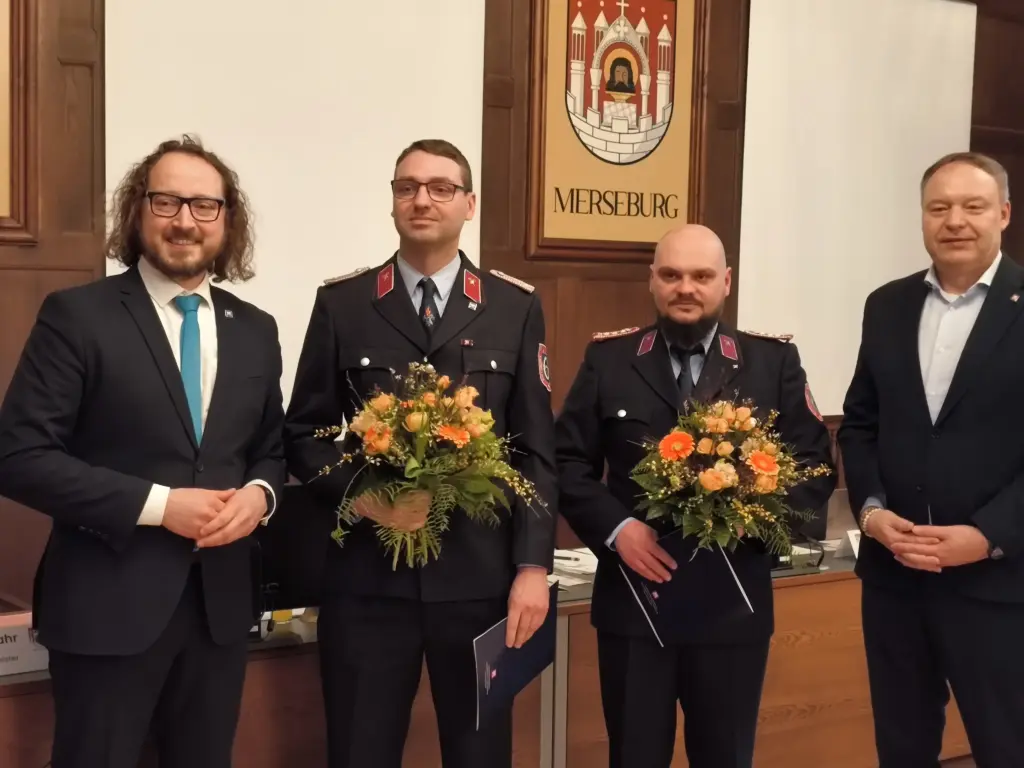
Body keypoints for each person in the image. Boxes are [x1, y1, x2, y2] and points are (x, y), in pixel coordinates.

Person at [0, 135, 286, 768]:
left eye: (204, 205)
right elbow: (18, 456)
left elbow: (269, 448)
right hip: (105, 608)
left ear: (226, 221)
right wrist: (159, 506)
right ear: (137, 210)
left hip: (219, 612)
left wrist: (260, 496)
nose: (185, 220)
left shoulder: (255, 329)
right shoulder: (78, 317)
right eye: (166, 201)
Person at [283, 138, 557, 768]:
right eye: (406, 188)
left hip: (481, 583)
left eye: (440, 188)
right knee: (360, 751)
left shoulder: (514, 307)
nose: (422, 200)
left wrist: (532, 568)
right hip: (367, 583)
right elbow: (303, 434)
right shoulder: (344, 303)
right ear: (392, 202)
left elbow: (536, 450)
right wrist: (364, 496)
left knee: (481, 755)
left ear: (469, 204)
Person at [555, 224, 836, 768]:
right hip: (636, 603)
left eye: (701, 276)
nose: (686, 288)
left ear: (726, 282)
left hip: (733, 604)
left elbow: (815, 465)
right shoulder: (609, 359)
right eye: (672, 275)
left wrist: (756, 516)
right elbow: (566, 462)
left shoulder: (771, 361)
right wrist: (617, 529)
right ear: (652, 281)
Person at [839, 151, 1023, 768]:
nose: (955, 221)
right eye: (939, 207)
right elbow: (859, 424)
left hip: (999, 584)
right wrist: (870, 513)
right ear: (922, 217)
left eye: (973, 206)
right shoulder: (886, 306)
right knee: (902, 748)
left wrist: (987, 537)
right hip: (895, 582)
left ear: (1003, 213)